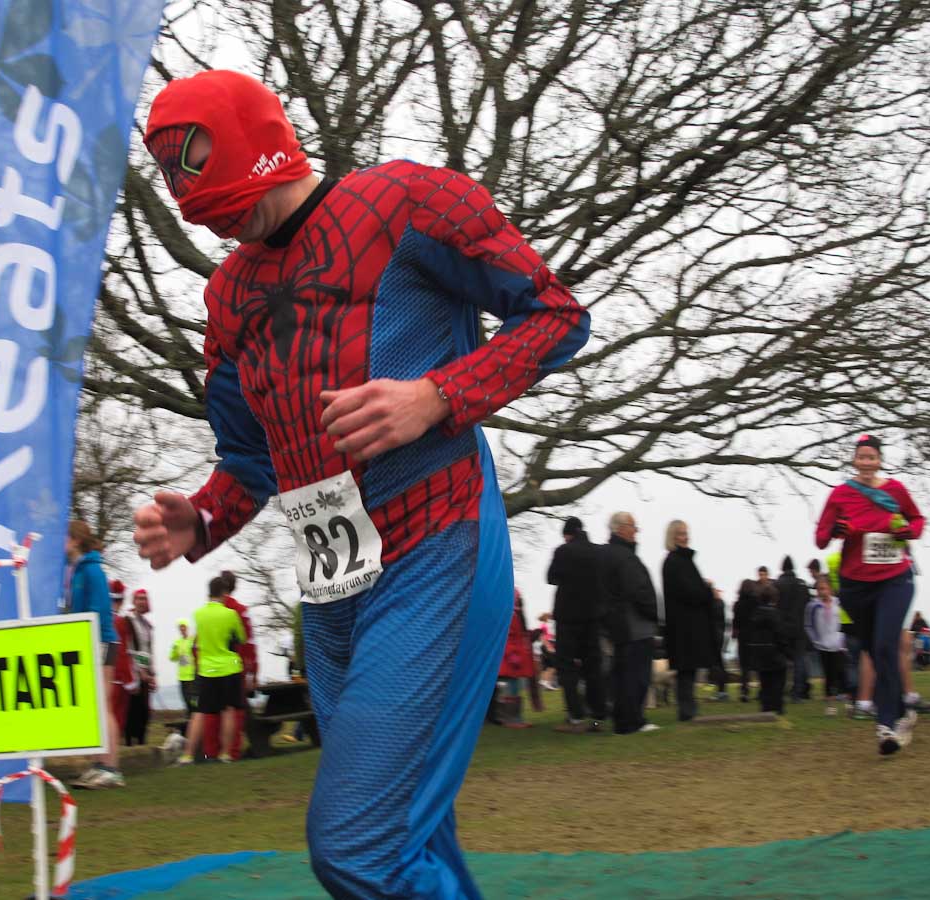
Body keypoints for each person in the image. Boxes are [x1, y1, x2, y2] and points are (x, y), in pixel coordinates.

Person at [135, 70, 590, 897]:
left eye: (197, 165)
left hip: (437, 544)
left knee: (358, 847)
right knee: (407, 835)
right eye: (176, 178)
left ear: (250, 138)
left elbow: (555, 314)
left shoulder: (407, 201)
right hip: (333, 589)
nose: (197, 197)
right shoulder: (228, 295)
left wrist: (438, 395)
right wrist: (199, 522)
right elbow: (251, 461)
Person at [815, 434, 924, 755]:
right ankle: (902, 710)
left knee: (885, 644)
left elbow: (917, 520)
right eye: (861, 457)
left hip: (895, 580)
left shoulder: (895, 490)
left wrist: (907, 531)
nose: (866, 462)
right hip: (855, 586)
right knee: (876, 653)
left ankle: (886, 725)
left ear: (879, 460)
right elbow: (820, 538)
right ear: (854, 460)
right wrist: (836, 530)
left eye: (871, 457)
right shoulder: (841, 494)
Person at [64, 520, 123, 788]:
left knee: (103, 704)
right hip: (86, 641)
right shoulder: (75, 571)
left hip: (101, 641)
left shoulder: (92, 570)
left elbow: (99, 609)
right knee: (94, 705)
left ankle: (111, 768)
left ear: (75, 540)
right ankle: (99, 764)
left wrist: (89, 641)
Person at [599, 512, 660, 735]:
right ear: (621, 529)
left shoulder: (604, 555)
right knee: (637, 676)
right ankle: (633, 721)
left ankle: (622, 721)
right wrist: (654, 614)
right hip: (634, 625)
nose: (636, 531)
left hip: (614, 625)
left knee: (620, 676)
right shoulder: (625, 557)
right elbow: (639, 591)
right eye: (633, 527)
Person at [178, 577, 247, 766]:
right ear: (224, 593)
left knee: (199, 712)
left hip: (206, 669)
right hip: (228, 667)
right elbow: (241, 637)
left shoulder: (198, 614)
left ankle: (188, 755)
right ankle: (225, 754)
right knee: (228, 710)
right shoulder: (230, 614)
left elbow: (198, 640)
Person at [548, 516, 605, 732]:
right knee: (593, 666)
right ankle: (598, 713)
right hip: (592, 616)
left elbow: (551, 577)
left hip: (567, 617)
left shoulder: (563, 551)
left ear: (567, 534)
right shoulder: (597, 552)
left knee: (566, 665)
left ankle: (575, 714)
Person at [661, 520, 715, 722]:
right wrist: (706, 589)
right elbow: (689, 591)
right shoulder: (675, 562)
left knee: (688, 668)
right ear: (673, 536)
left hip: (687, 624)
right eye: (682, 533)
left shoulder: (681, 561)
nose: (686, 537)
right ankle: (686, 708)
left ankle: (689, 706)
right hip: (684, 625)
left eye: (686, 533)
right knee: (685, 668)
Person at [203, 571, 256, 761]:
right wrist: (251, 674)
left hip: (208, 668)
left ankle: (211, 752)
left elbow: (197, 643)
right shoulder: (239, 610)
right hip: (233, 667)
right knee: (234, 710)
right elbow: (247, 643)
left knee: (211, 712)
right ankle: (231, 752)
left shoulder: (205, 612)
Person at [749, 583, 791, 714]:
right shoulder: (775, 615)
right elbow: (781, 635)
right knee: (778, 683)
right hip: (775, 654)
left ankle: (765, 707)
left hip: (760, 654)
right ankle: (777, 708)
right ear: (775, 599)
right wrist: (786, 651)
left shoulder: (755, 614)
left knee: (765, 683)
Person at [497, 590, 535, 728]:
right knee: (511, 686)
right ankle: (512, 719)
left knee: (513, 685)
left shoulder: (514, 614)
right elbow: (509, 635)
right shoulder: (511, 615)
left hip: (513, 655)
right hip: (511, 656)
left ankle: (514, 718)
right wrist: (512, 653)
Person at [124, 588, 156, 746]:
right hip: (132, 671)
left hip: (145, 669)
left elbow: (149, 651)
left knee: (144, 709)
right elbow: (129, 648)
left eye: (144, 598)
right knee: (132, 708)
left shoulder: (148, 625)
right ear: (134, 601)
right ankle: (130, 742)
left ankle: (142, 741)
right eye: (139, 599)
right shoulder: (128, 621)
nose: (142, 602)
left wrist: (153, 674)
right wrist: (139, 670)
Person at [775, 557, 810, 701]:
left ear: (782, 567)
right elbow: (808, 603)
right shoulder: (802, 585)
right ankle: (797, 692)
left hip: (782, 627)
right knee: (799, 660)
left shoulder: (777, 584)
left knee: (781, 660)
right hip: (799, 627)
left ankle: (780, 690)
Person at [806, 577, 844, 700]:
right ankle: (829, 695)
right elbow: (808, 625)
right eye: (819, 589)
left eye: (823, 589)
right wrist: (815, 640)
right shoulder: (813, 606)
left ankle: (839, 692)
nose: (821, 592)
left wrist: (843, 638)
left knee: (837, 669)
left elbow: (844, 621)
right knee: (827, 670)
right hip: (822, 643)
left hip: (837, 642)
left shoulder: (838, 603)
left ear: (830, 589)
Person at [107, 581, 136, 740]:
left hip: (102, 679)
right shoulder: (119, 622)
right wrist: (130, 680)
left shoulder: (99, 620)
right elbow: (122, 654)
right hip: (117, 679)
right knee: (116, 720)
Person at [731, 580, 759, 702]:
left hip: (743, 637)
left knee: (744, 666)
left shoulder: (738, 604)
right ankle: (762, 690)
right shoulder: (757, 602)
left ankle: (744, 691)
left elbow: (735, 622)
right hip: (755, 636)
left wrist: (735, 634)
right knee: (758, 664)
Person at [171, 619, 197, 720]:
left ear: (187, 628)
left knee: (193, 700)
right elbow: (172, 658)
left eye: (184, 626)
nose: (182, 629)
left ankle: (194, 717)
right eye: (180, 627)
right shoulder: (177, 642)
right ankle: (190, 718)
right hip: (182, 676)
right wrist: (174, 649)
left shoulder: (192, 640)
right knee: (185, 699)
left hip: (192, 675)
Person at [708, 583, 730, 700]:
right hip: (719, 636)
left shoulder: (713, 605)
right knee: (719, 663)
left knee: (718, 664)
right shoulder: (720, 603)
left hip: (714, 637)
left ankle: (721, 691)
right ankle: (721, 690)